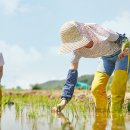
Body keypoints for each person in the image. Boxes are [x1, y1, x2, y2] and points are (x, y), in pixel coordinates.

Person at [52, 21, 130, 113]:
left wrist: (126, 49)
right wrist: (64, 100)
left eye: (77, 42)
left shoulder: (101, 32)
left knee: (117, 87)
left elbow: (124, 40)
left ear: (85, 36)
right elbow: (71, 77)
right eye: (72, 44)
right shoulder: (76, 52)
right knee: (96, 88)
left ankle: (116, 115)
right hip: (106, 59)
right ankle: (101, 115)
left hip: (121, 54)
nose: (76, 47)